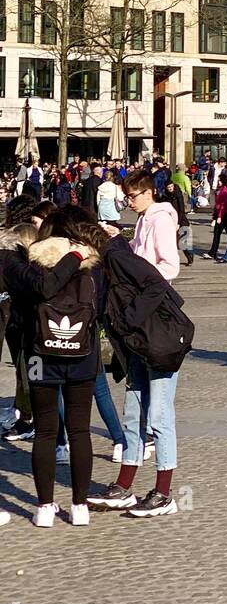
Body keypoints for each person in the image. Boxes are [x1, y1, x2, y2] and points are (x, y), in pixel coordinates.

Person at [1, 213, 105, 526]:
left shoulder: (32, 265)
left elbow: (23, 305)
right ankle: (79, 505)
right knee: (80, 430)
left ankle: (45, 506)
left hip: (39, 356)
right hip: (82, 355)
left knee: (45, 431)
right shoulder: (92, 265)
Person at [88, 171, 182, 517]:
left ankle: (164, 492)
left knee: (158, 414)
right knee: (133, 409)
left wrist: (136, 268)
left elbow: (168, 267)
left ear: (148, 193)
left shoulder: (159, 220)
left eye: (133, 195)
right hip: (139, 322)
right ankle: (125, 485)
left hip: (155, 321)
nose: (128, 201)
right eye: (126, 196)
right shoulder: (142, 221)